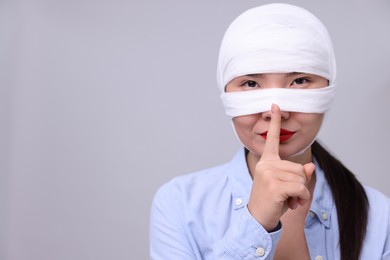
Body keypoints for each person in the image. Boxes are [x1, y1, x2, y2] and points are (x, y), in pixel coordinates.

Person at [149, 3, 390, 260]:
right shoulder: (180, 206)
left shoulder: (379, 216)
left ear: (329, 87)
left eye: (299, 81)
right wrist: (256, 223)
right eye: (251, 83)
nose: (276, 111)